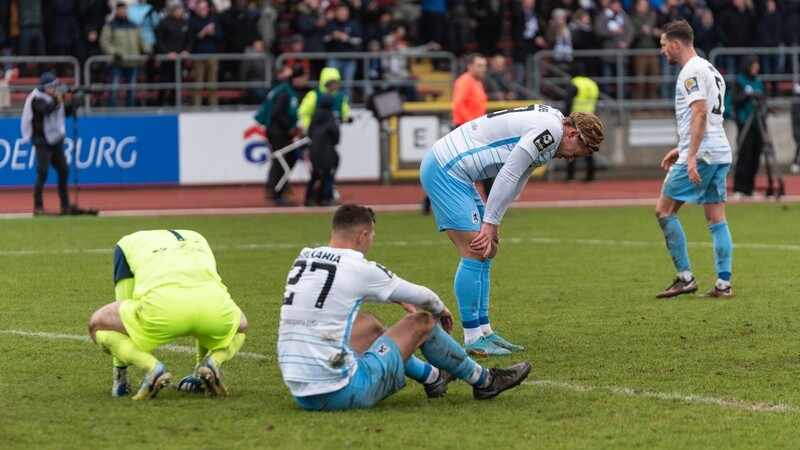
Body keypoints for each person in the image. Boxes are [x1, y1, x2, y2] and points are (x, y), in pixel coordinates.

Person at [277, 204, 532, 411]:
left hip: (300, 391)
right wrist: (440, 310)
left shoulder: (305, 257)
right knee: (421, 322)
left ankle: (434, 377)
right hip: (341, 391)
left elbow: (341, 288)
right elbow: (424, 296)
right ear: (362, 236)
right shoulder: (359, 267)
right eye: (372, 237)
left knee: (370, 325)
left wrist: (394, 297)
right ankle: (485, 381)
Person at [420, 105, 604, 355]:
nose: (570, 159)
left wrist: (495, 221)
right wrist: (490, 221)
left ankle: (485, 331)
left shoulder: (553, 126)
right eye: (576, 153)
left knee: (488, 249)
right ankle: (472, 337)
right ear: (573, 134)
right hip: (447, 169)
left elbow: (520, 177)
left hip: (459, 173)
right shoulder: (550, 130)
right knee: (474, 250)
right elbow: (509, 172)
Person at [88, 229, 248, 400]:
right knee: (241, 325)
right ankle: (208, 366)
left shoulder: (125, 244)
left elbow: (123, 299)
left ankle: (152, 369)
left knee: (97, 324)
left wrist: (121, 378)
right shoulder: (197, 237)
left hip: (162, 312)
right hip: (214, 311)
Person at [655, 19, 734, 299]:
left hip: (702, 154)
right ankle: (724, 284)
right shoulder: (711, 69)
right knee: (716, 219)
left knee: (664, 210)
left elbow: (700, 112)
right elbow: (707, 117)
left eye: (664, 45)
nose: (663, 51)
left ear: (676, 44)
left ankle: (685, 277)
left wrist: (690, 156)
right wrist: (683, 147)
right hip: (720, 151)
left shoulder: (690, 72)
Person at [423, 53, 489, 215]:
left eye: (484, 66)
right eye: (479, 65)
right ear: (470, 66)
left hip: (472, 130)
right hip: (465, 130)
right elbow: (458, 106)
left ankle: (491, 206)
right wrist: (473, 125)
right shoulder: (465, 82)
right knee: (463, 168)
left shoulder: (476, 82)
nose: (483, 69)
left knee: (481, 166)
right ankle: (428, 200)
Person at [20, 72, 81, 216]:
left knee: (64, 170)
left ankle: (65, 206)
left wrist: (74, 102)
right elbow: (48, 109)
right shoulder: (36, 98)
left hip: (55, 140)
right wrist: (60, 96)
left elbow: (63, 112)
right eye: (52, 86)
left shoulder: (53, 97)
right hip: (42, 141)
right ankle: (38, 207)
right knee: (43, 172)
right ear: (45, 87)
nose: (55, 89)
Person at [256, 65, 308, 206]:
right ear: (296, 78)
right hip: (277, 131)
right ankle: (276, 192)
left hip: (280, 130)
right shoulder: (284, 92)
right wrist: (290, 127)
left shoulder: (288, 90)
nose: (305, 81)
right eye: (303, 78)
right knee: (282, 160)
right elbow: (277, 113)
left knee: (285, 159)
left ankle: (275, 188)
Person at [99, 2, 152, 107]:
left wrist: (148, 50)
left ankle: (131, 113)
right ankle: (113, 112)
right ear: (116, 11)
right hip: (116, 62)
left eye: (124, 10)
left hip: (132, 62)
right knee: (114, 89)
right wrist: (114, 52)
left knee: (132, 89)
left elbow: (141, 40)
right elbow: (104, 42)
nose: (123, 12)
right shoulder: (110, 26)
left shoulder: (133, 25)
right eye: (121, 10)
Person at [730, 55, 765, 198]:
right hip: (744, 122)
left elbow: (764, 99)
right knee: (744, 154)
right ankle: (739, 187)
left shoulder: (759, 81)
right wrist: (748, 96)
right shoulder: (739, 81)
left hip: (758, 122)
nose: (756, 67)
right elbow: (735, 100)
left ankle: (750, 188)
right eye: (754, 64)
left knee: (756, 155)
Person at [564, 62, 600, 183]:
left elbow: (568, 101)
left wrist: (566, 118)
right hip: (590, 120)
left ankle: (570, 176)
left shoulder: (575, 83)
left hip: (576, 120)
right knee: (588, 147)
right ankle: (591, 176)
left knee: (570, 146)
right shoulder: (592, 84)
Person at [304, 94, 340, 206]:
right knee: (328, 174)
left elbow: (309, 133)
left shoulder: (314, 117)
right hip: (327, 151)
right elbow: (336, 135)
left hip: (314, 150)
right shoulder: (330, 118)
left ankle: (309, 197)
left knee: (315, 175)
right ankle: (326, 197)